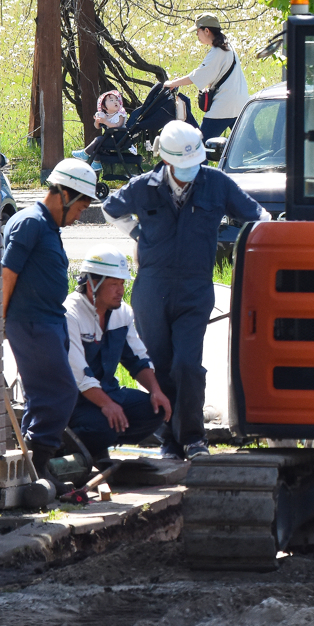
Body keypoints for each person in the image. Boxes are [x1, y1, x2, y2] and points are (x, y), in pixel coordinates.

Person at [101, 120, 269, 458]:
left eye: (196, 164)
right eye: (183, 166)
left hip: (195, 288)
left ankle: (193, 438)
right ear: (166, 161)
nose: (191, 171)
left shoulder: (216, 184)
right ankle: (170, 441)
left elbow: (259, 215)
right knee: (158, 364)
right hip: (152, 287)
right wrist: (137, 236)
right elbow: (110, 209)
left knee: (187, 364)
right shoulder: (143, 186)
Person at [2, 160, 98, 492]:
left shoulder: (47, 227)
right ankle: (37, 467)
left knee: (43, 397)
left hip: (47, 322)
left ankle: (31, 470)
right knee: (60, 393)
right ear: (65, 194)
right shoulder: (29, 223)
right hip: (31, 323)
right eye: (81, 206)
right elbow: (7, 275)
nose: (81, 215)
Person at [65, 247, 172, 462]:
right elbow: (79, 376)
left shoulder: (122, 313)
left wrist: (156, 391)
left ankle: (102, 440)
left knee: (155, 411)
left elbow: (138, 359)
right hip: (74, 402)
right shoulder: (70, 314)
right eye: (114, 284)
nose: (120, 290)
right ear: (92, 284)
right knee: (104, 427)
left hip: (108, 392)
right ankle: (71, 445)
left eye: (122, 284)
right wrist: (107, 405)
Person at [164, 13, 248, 142]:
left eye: (198, 31)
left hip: (224, 106)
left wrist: (172, 83)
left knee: (203, 145)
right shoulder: (227, 47)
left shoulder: (217, 52)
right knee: (249, 144)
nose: (197, 35)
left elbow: (197, 76)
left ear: (207, 30)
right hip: (239, 102)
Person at [72, 90, 133, 169]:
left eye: (117, 100)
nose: (115, 102)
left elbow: (118, 125)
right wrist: (97, 122)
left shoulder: (120, 114)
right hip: (111, 139)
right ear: (104, 107)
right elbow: (97, 127)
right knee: (98, 146)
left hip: (119, 139)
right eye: (111, 100)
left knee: (98, 140)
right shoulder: (105, 115)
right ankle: (96, 163)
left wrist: (105, 122)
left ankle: (85, 153)